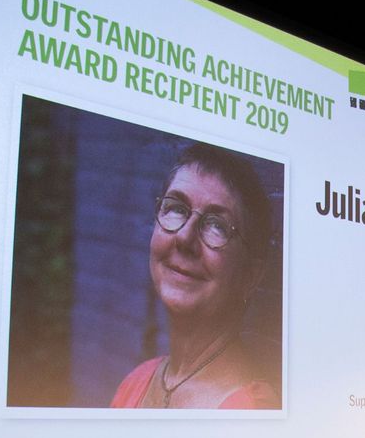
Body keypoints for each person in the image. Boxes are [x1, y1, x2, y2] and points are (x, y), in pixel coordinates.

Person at [111, 142, 280, 409]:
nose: (184, 237)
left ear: (251, 275)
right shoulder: (135, 382)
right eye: (177, 208)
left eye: (217, 225)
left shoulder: (250, 412)